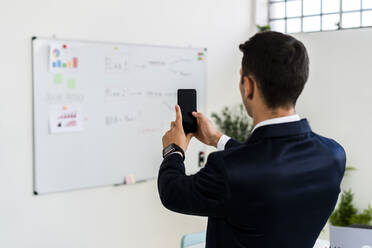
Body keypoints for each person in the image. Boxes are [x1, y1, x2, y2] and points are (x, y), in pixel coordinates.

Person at [158, 31, 346, 248]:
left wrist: (174, 149)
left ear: (249, 86)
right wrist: (217, 139)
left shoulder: (228, 170)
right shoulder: (333, 155)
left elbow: (173, 192)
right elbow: (268, 165)